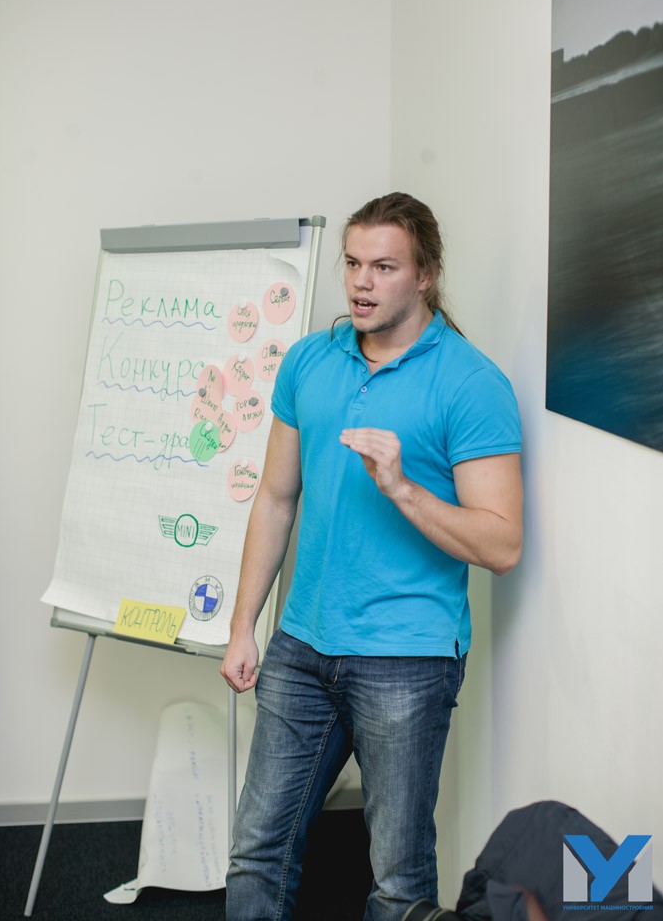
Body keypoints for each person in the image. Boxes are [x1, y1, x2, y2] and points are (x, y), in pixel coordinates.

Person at [220, 192, 523, 921]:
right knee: (256, 850)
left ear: (426, 275)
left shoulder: (471, 383)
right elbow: (276, 499)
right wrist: (243, 626)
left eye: (384, 267)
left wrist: (402, 488)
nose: (361, 282)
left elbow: (502, 544)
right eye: (353, 263)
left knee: (397, 881)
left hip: (406, 659)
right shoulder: (309, 360)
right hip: (300, 646)